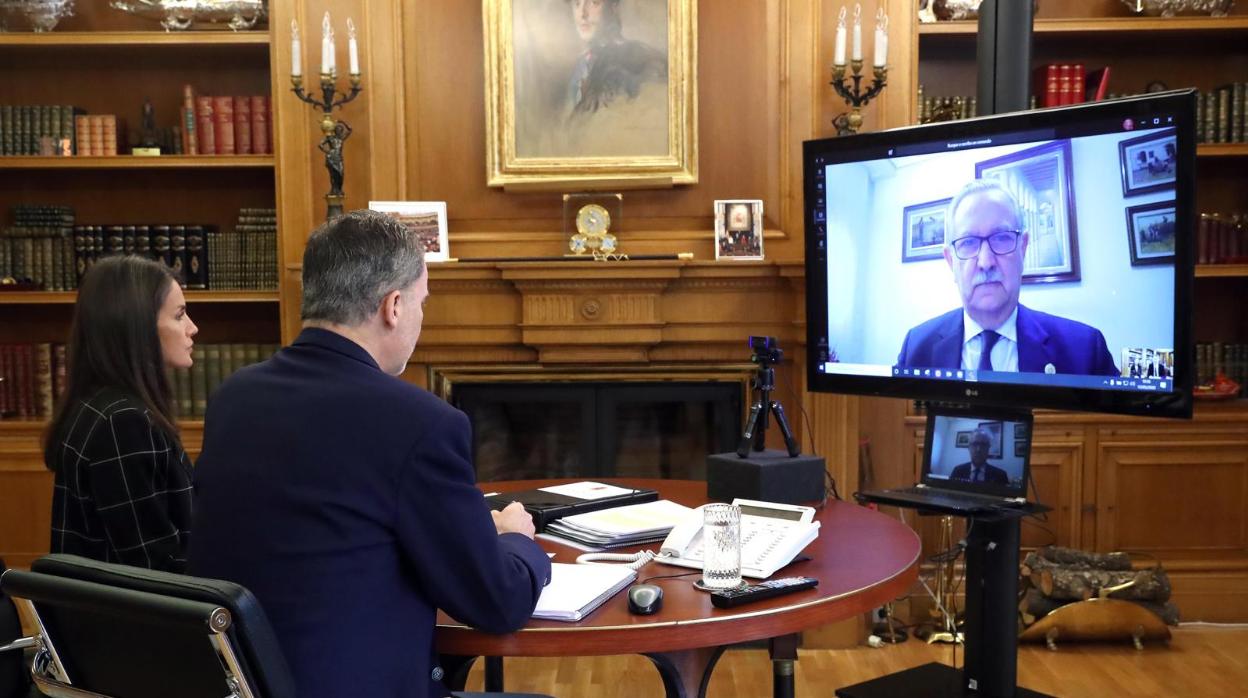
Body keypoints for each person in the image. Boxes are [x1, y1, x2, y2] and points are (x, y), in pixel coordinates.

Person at [189, 210, 551, 698]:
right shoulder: (419, 423)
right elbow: (498, 601)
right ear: (394, 306)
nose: (421, 317)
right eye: (423, 302)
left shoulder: (235, 398)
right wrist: (516, 540)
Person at [44, 255, 198, 572]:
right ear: (137, 327)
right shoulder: (123, 423)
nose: (192, 328)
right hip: (137, 618)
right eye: (179, 315)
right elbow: (157, 569)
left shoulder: (100, 404)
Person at [896, 180, 1118, 376]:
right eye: (968, 242)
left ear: (1023, 247)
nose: (985, 261)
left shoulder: (1086, 350)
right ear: (950, 261)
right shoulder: (916, 348)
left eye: (1001, 238)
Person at [566, 0, 667, 118]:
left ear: (613, 7)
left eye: (594, 3)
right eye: (577, 4)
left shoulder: (635, 59)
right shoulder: (582, 64)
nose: (582, 14)